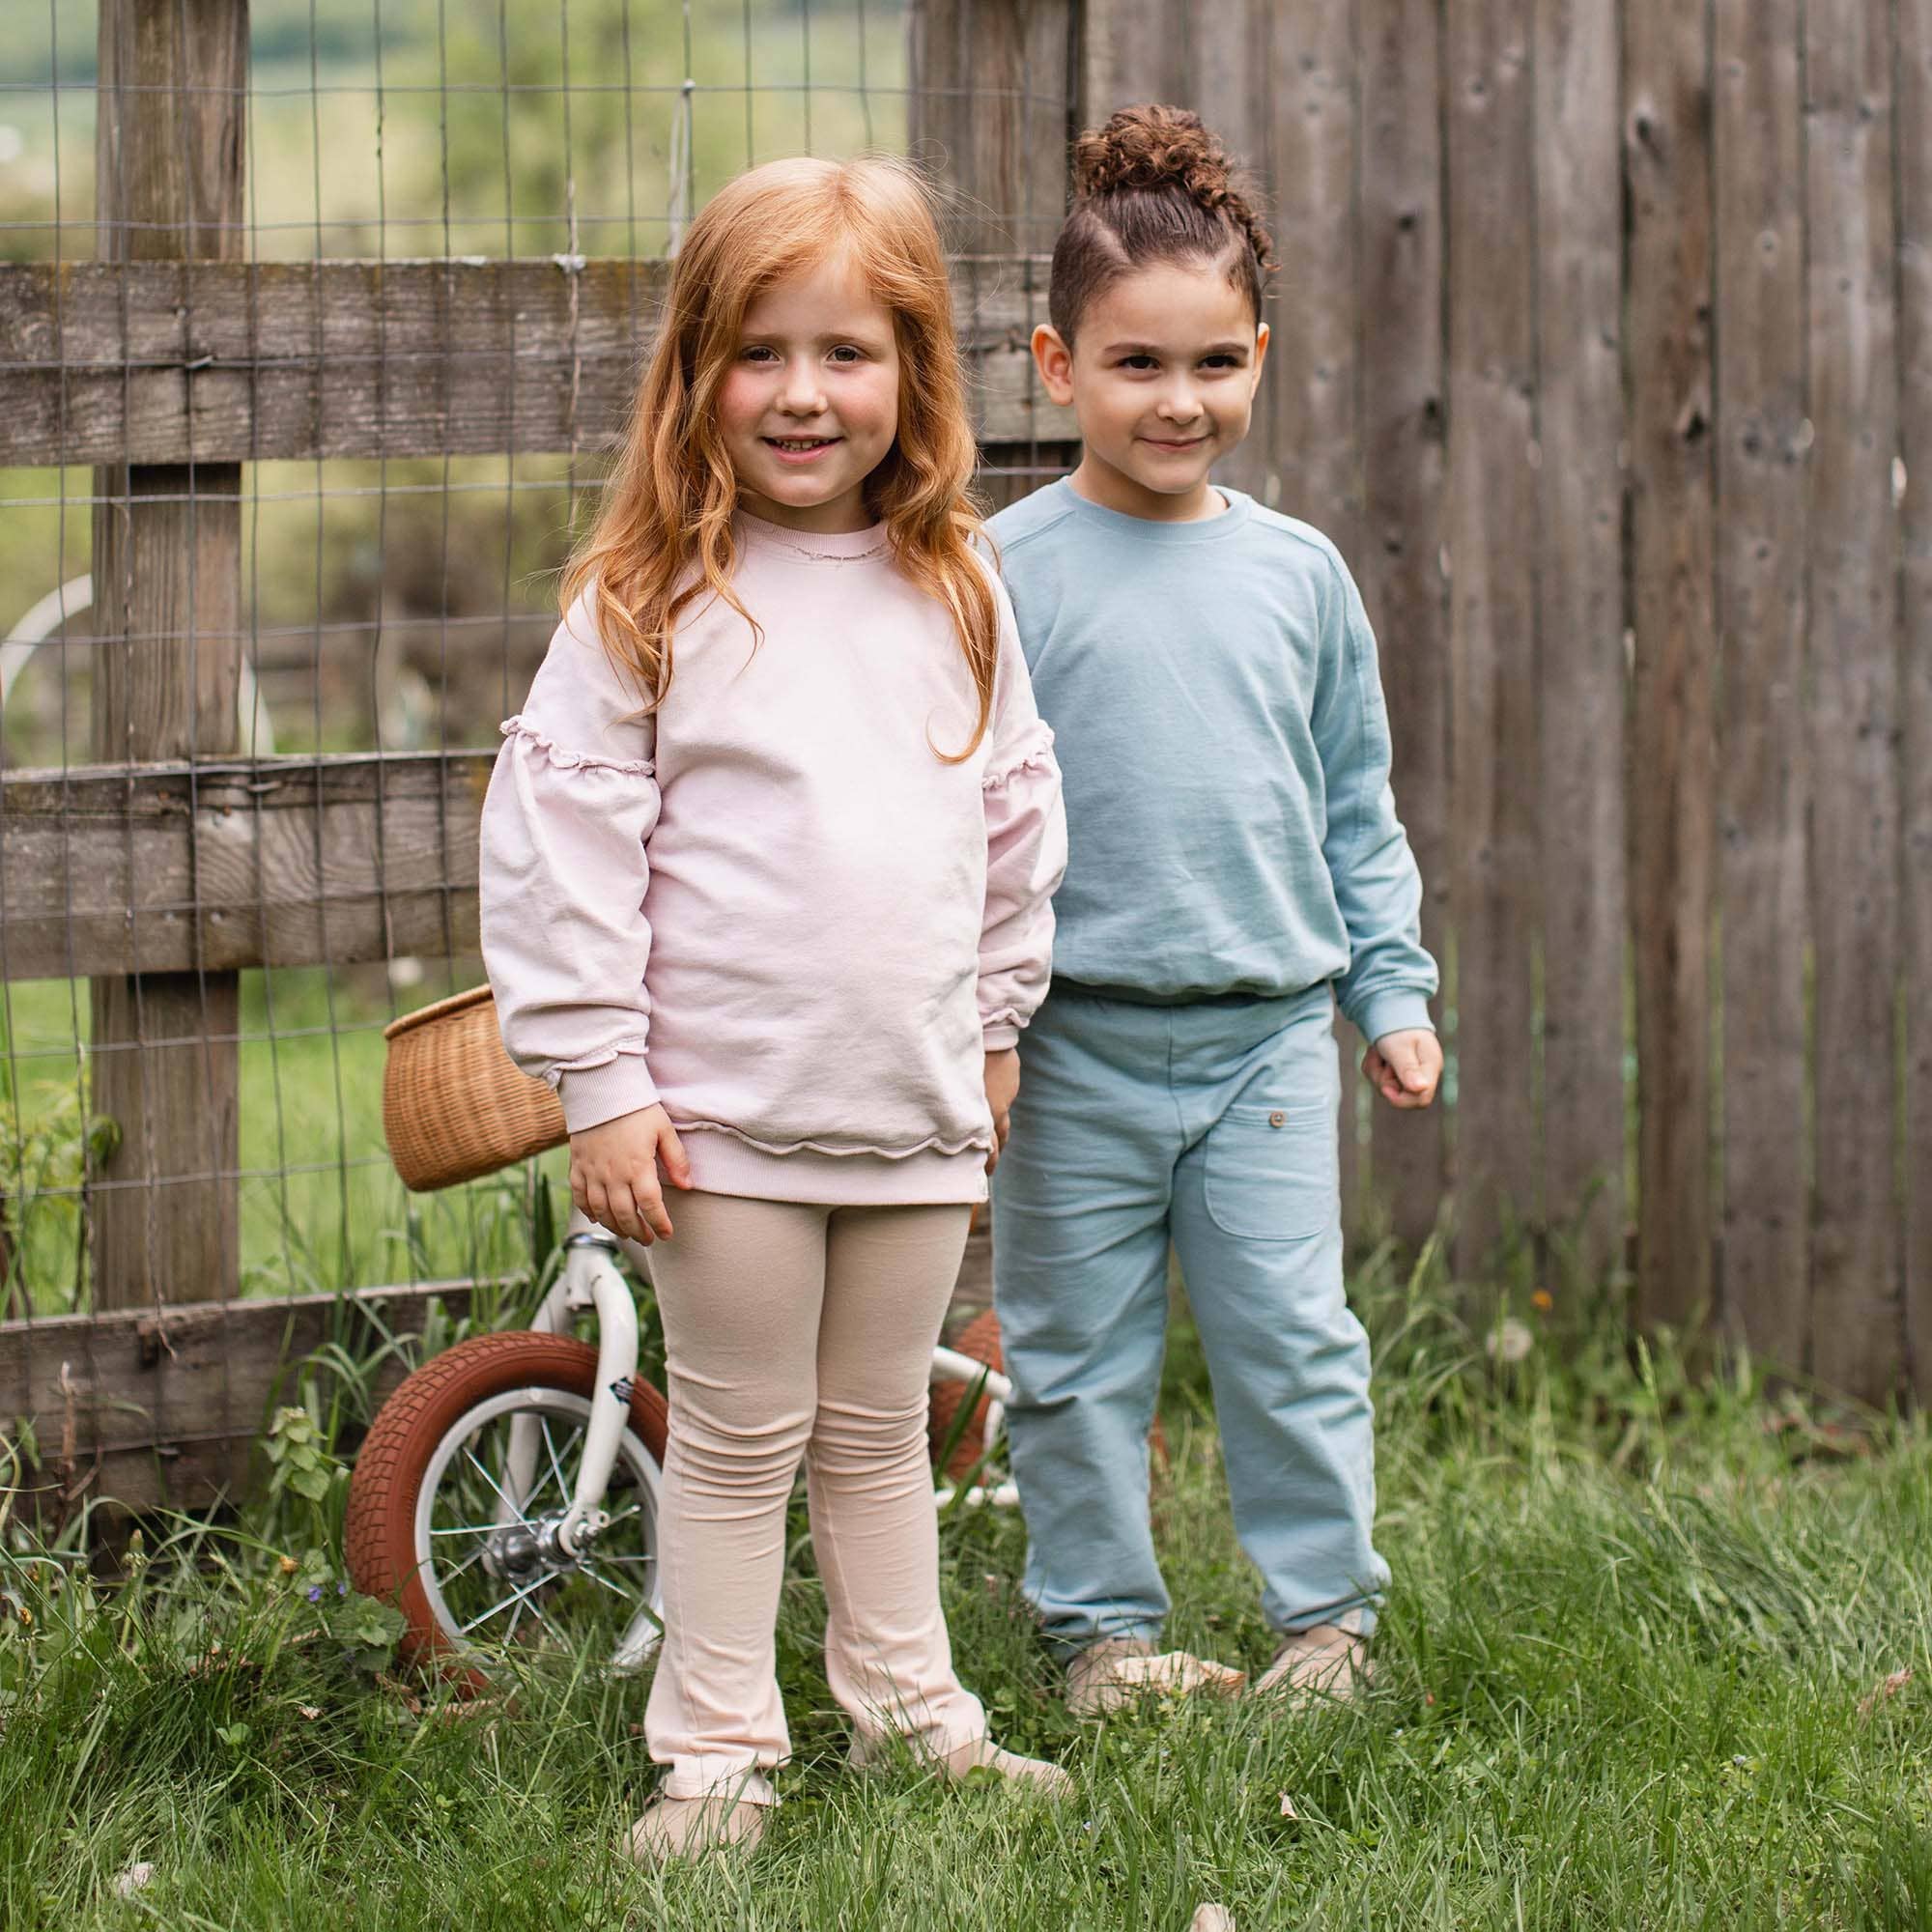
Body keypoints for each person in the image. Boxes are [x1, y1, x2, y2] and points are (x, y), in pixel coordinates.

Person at [479, 154, 1070, 1861]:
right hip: (718, 1117)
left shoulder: (960, 588)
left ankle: (912, 1716)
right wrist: (600, 1080)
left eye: (846, 352)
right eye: (760, 353)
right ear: (697, 374)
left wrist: (997, 1024)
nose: (804, 394)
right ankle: (719, 1754)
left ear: (914, 373)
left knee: (880, 1431)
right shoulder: (650, 601)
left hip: (914, 1104)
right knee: (742, 1437)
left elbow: (1014, 818)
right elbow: (562, 848)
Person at [986, 105, 1442, 1718]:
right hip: (1071, 1052)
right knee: (1071, 1359)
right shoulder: (999, 575)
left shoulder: (1300, 577)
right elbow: (960, 826)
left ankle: (1326, 1624)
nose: (1179, 401)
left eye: (1214, 365)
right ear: (1058, 366)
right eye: (1136, 365)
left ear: (1259, 359)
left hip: (1265, 1047)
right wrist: (972, 1026)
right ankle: (1101, 1637)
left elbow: (1353, 806)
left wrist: (1391, 992)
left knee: (1292, 1340)